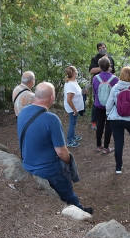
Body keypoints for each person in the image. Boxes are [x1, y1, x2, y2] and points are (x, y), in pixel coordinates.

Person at [18, 82, 93, 213]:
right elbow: (61, 152)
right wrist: (69, 161)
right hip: (47, 170)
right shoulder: (52, 119)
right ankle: (79, 210)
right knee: (66, 186)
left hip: (27, 163)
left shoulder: (23, 112)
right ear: (52, 98)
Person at [106, 66, 130, 173]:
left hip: (115, 119)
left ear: (121, 75)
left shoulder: (115, 88)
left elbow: (109, 105)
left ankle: (118, 167)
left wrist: (109, 114)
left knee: (118, 142)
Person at [92, 57, 119, 153]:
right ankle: (106, 148)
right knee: (108, 126)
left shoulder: (95, 78)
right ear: (110, 66)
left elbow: (95, 92)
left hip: (98, 105)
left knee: (99, 125)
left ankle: (98, 146)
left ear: (99, 66)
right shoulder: (115, 79)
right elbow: (117, 94)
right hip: (110, 106)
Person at [89, 42, 116, 129]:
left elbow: (114, 72)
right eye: (100, 48)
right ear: (98, 50)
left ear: (106, 48)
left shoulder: (111, 58)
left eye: (103, 47)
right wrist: (103, 67)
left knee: (109, 102)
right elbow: (92, 70)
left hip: (109, 84)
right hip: (99, 84)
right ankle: (94, 122)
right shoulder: (95, 59)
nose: (102, 49)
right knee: (96, 103)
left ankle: (106, 120)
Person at [63, 66, 84, 148]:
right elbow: (69, 100)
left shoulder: (73, 81)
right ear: (74, 73)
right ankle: (69, 140)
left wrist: (83, 91)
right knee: (72, 123)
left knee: (74, 122)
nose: (77, 71)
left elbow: (77, 92)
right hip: (72, 108)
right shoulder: (71, 85)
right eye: (76, 70)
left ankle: (73, 136)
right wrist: (74, 110)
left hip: (76, 107)